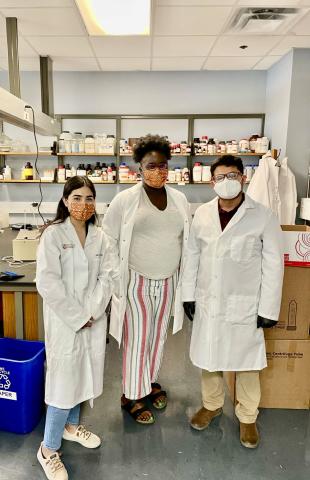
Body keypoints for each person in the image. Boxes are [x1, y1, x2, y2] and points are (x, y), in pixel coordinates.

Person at [182, 155, 284, 449]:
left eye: (233, 175)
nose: (227, 182)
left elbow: (274, 264)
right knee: (209, 357)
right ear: (212, 181)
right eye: (221, 177)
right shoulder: (201, 214)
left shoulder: (262, 215)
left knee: (247, 363)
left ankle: (248, 417)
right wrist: (188, 294)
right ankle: (211, 405)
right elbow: (192, 256)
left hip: (246, 304)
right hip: (208, 301)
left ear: (243, 178)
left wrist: (268, 308)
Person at [103, 134, 190, 425]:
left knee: (157, 338)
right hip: (136, 281)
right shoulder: (125, 200)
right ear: (139, 167)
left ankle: (149, 383)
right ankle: (130, 395)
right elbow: (109, 240)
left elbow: (184, 239)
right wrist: (116, 278)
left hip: (168, 280)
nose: (158, 172)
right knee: (137, 339)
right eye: (151, 166)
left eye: (163, 166)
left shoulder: (179, 198)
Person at [36, 176, 118, 480]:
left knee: (84, 374)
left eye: (89, 198)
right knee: (62, 384)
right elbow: (47, 282)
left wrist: (92, 312)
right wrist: (76, 316)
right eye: (77, 198)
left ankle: (71, 427)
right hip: (64, 321)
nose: (83, 205)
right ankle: (48, 449)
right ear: (65, 200)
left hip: (92, 319)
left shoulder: (101, 236)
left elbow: (107, 276)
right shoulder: (54, 235)